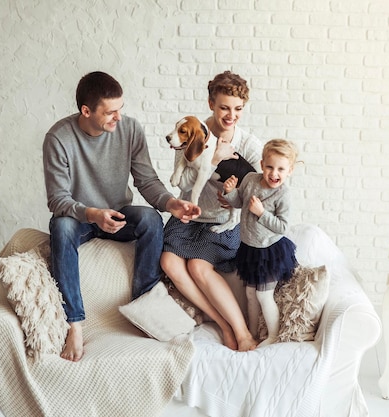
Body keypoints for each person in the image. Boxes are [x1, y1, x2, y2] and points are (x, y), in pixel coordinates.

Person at [43, 71, 201, 362]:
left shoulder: (129, 130)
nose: (118, 117)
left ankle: (144, 306)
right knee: (61, 227)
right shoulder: (58, 138)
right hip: (80, 217)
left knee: (151, 218)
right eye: (110, 112)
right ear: (86, 111)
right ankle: (74, 323)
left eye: (120, 109)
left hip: (117, 212)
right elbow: (57, 199)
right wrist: (91, 214)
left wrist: (171, 204)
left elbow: (146, 180)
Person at [160, 70, 262, 351]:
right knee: (169, 262)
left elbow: (263, 187)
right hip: (188, 216)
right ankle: (221, 322)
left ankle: (241, 332)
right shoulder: (192, 130)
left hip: (221, 221)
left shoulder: (248, 145)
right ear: (211, 104)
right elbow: (184, 180)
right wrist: (214, 159)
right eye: (224, 108)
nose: (231, 115)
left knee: (197, 266)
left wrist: (237, 198)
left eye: (238, 109)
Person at [222, 139, 299, 346]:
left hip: (269, 251)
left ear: (289, 170)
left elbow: (282, 226)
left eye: (281, 169)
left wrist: (262, 213)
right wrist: (230, 193)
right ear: (262, 164)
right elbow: (240, 202)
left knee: (263, 295)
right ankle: (253, 333)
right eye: (270, 167)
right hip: (250, 248)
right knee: (250, 294)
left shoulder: (283, 194)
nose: (274, 174)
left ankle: (273, 336)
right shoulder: (250, 180)